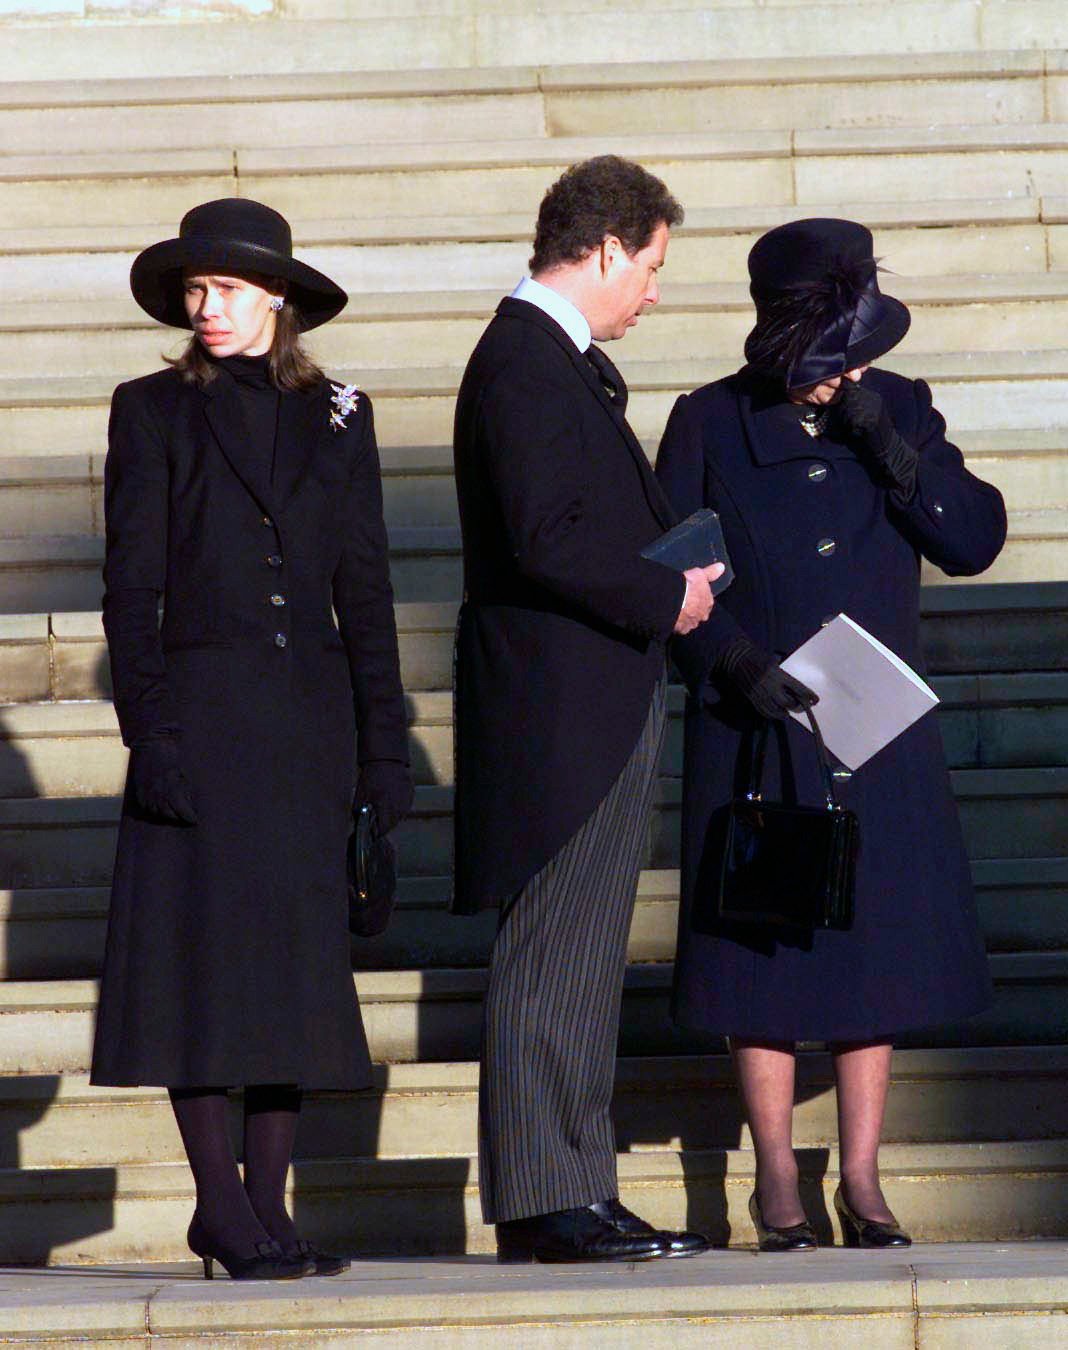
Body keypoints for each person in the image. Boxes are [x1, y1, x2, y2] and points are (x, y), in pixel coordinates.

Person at [655, 217, 1007, 1252]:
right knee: (759, 954)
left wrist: (884, 441)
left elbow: (973, 538)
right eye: (824, 357)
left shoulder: (896, 407)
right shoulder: (709, 422)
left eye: (850, 354)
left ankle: (863, 1177)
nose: (838, 371)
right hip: (755, 721)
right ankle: (774, 1179)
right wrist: (729, 661)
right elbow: (670, 573)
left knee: (876, 949)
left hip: (874, 725)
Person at [90, 198, 413, 1280]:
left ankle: (266, 1211)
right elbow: (129, 589)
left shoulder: (341, 414)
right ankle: (219, 1206)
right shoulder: (151, 410)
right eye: (195, 290)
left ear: (278, 297)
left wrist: (383, 757)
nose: (206, 306)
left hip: (308, 729)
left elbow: (364, 593)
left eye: (226, 287)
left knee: (294, 977)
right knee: (203, 970)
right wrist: (153, 731)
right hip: (202, 720)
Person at [452, 155, 722, 1264]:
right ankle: (544, 1196)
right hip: (557, 709)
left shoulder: (559, 365)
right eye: (651, 264)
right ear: (605, 247)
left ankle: (577, 1182)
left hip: (593, 698)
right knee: (554, 952)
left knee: (584, 956)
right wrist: (669, 593)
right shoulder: (522, 362)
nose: (655, 289)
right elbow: (548, 538)